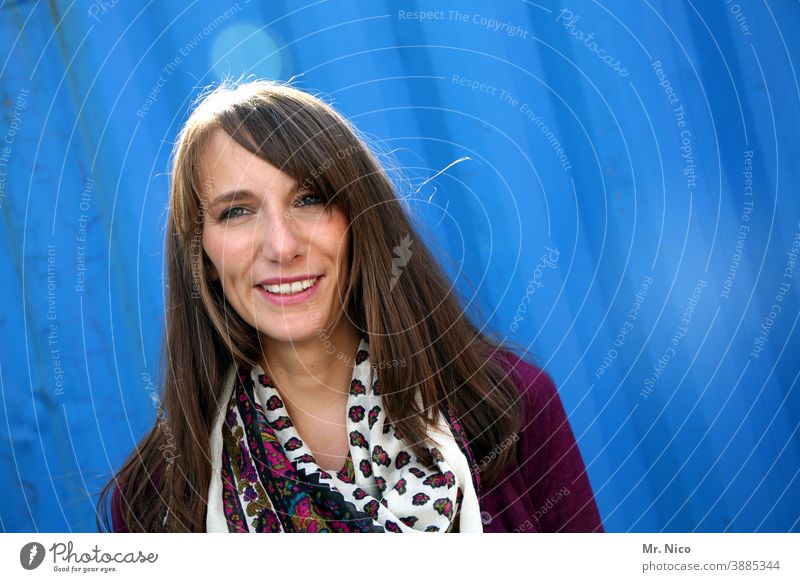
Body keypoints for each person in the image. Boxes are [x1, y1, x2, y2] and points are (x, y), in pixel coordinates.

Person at [97, 78, 603, 533]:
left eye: (309, 199)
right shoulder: (154, 500)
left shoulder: (508, 407)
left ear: (358, 218)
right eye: (237, 211)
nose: (281, 245)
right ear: (201, 254)